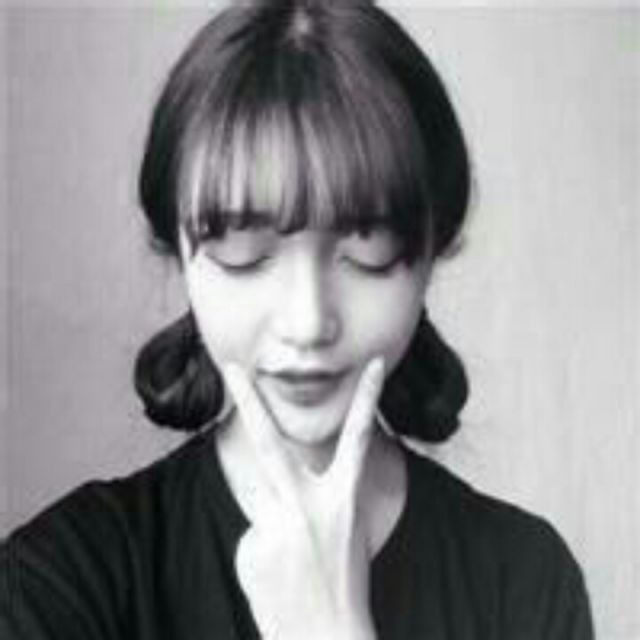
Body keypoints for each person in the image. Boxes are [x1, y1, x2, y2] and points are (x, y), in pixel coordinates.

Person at [0, 1, 594, 638]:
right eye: (244, 252)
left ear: (431, 251)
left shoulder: (527, 581)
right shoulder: (59, 580)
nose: (308, 323)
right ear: (180, 252)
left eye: (366, 249)